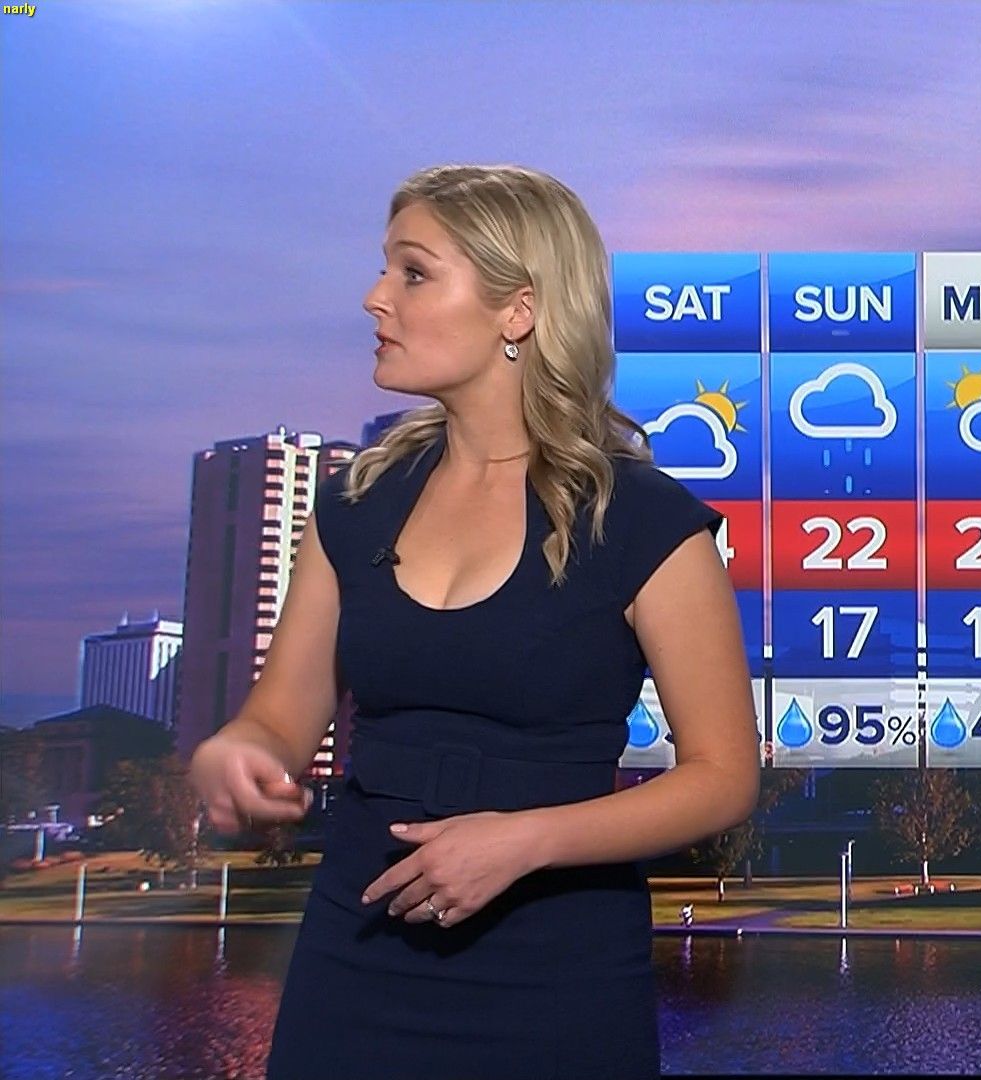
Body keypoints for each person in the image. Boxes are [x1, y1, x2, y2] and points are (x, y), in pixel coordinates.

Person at [187, 164, 761, 1080]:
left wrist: (526, 841)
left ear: (518, 311)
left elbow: (723, 780)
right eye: (386, 268)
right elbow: (280, 718)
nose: (376, 297)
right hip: (354, 956)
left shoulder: (643, 521)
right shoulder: (354, 506)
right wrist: (240, 752)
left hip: (557, 974)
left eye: (414, 272)